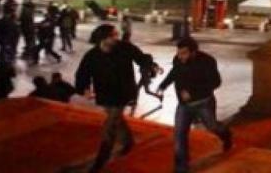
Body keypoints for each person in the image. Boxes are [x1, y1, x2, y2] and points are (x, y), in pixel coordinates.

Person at [75, 24, 162, 173]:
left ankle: (101, 160)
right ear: (104, 38)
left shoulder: (124, 48)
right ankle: (128, 142)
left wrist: (152, 66)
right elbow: (83, 73)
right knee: (115, 118)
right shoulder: (92, 55)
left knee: (110, 126)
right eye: (113, 35)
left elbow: (141, 58)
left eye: (116, 34)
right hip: (105, 94)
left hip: (123, 93)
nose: (116, 37)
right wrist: (85, 88)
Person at [157, 36, 233, 173]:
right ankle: (181, 168)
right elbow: (174, 73)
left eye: (184, 53)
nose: (180, 56)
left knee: (212, 126)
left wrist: (193, 92)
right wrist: (162, 87)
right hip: (184, 105)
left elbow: (215, 82)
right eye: (178, 53)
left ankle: (225, 134)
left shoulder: (207, 61)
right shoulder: (178, 59)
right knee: (179, 134)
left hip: (203, 102)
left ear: (193, 52)